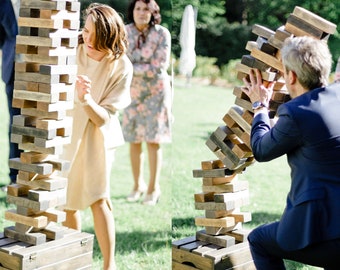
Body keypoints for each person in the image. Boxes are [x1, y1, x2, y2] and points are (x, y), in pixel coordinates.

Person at [241, 36, 340, 269]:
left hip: (327, 234)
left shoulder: (296, 113)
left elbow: (261, 150)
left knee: (259, 241)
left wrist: (260, 107)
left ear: (291, 76)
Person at [61, 4, 132, 270]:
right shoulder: (73, 50)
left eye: (94, 34)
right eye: (85, 30)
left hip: (98, 137)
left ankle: (108, 265)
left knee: (98, 198)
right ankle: (75, 261)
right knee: (68, 201)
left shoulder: (121, 66)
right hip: (67, 131)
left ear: (108, 35)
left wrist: (86, 99)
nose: (87, 38)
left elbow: (104, 118)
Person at [122, 0, 172, 205]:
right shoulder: (124, 32)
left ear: (154, 12)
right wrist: (134, 67)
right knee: (133, 140)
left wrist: (131, 67)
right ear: (132, 11)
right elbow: (119, 60)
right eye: (138, 8)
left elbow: (158, 68)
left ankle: (153, 188)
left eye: (146, 9)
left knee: (153, 140)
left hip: (156, 94)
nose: (142, 13)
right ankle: (137, 185)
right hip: (130, 94)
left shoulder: (162, 34)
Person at [0, 0, 21, 186]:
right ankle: (14, 177)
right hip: (12, 70)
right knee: (15, 124)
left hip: (40, 71)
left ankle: (36, 174)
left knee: (38, 123)